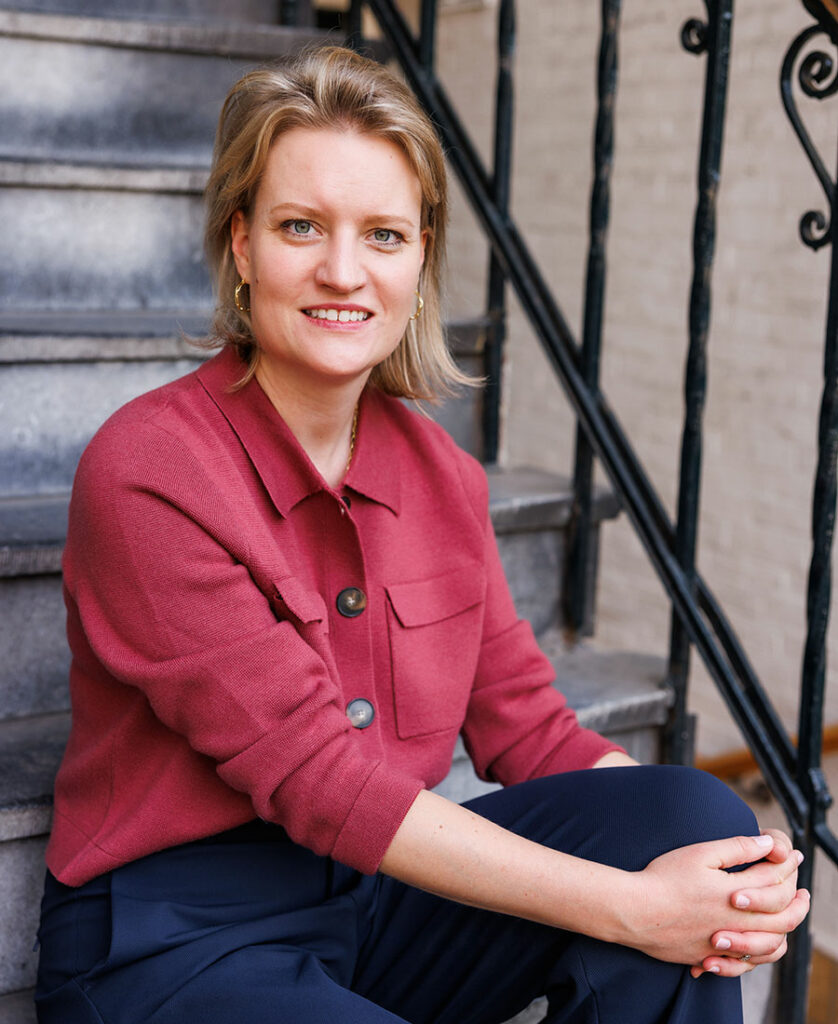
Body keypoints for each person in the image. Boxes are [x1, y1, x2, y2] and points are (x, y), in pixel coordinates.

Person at [35, 46, 808, 1024]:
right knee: (653, 895)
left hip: (375, 905)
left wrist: (737, 881)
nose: (342, 271)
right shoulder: (149, 467)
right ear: (240, 244)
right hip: (175, 941)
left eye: (384, 235)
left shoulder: (439, 474)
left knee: (692, 820)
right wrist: (635, 908)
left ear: (420, 256)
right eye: (300, 226)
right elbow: (322, 781)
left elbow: (527, 727)